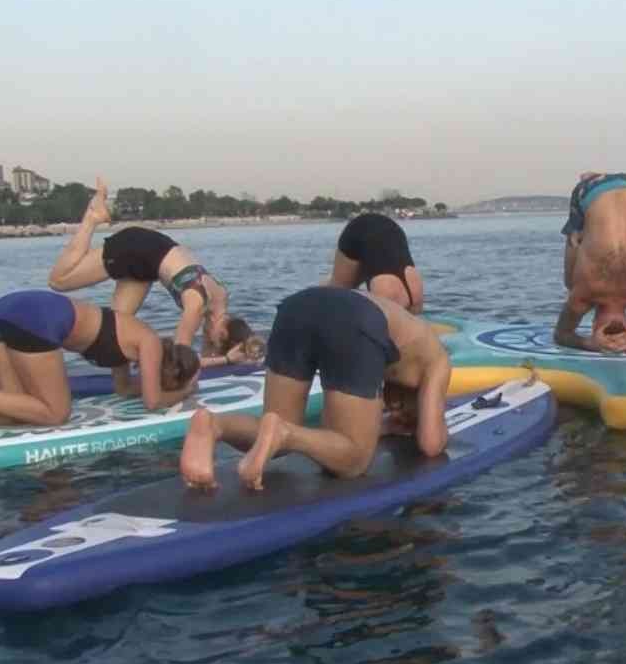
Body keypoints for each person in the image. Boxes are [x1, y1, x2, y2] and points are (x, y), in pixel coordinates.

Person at [179, 286, 453, 491]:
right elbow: (430, 444)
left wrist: (384, 426)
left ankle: (214, 425)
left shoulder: (411, 340)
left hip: (299, 307)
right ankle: (285, 433)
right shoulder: (439, 359)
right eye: (404, 411)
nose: (396, 410)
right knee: (355, 461)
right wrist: (437, 428)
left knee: (271, 424)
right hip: (353, 319)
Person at [0, 290, 200, 434]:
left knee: (10, 412)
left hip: (8, 310)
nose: (173, 386)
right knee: (56, 413)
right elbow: (152, 400)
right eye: (178, 380)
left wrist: (165, 389)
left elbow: (123, 389)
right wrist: (184, 395)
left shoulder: (132, 340)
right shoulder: (148, 341)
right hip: (38, 317)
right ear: (173, 369)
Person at [47, 178, 252, 359]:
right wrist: (223, 361)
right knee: (58, 281)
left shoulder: (221, 298)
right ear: (223, 332)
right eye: (212, 340)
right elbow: (181, 355)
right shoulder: (197, 303)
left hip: (149, 264)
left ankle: (124, 383)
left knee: (119, 327)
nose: (206, 336)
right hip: (137, 247)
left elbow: (213, 338)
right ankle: (92, 217)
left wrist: (229, 355)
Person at [553, 172, 626, 352]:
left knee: (571, 276)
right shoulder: (583, 296)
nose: (615, 338)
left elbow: (561, 336)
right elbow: (562, 335)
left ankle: (599, 189)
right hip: (604, 190)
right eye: (622, 334)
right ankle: (595, 193)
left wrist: (592, 344)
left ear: (593, 324)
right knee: (570, 280)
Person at [326, 212, 425, 313]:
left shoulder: (410, 298)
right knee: (338, 292)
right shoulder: (392, 301)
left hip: (388, 228)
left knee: (341, 294)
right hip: (357, 231)